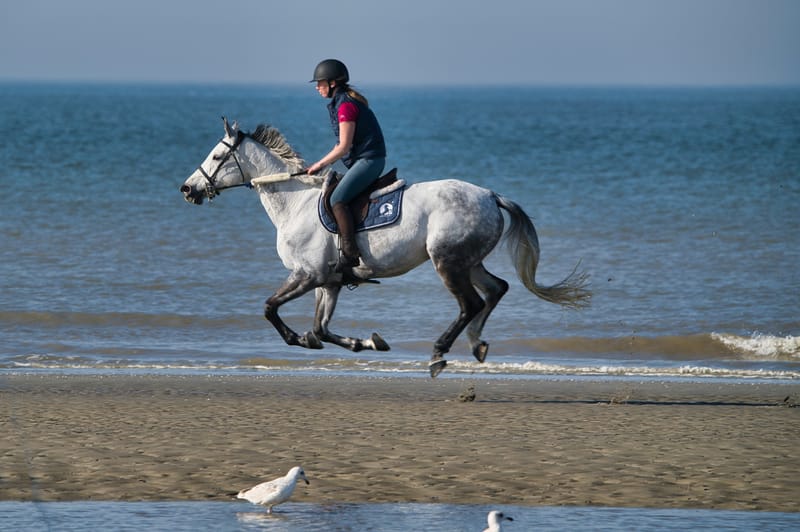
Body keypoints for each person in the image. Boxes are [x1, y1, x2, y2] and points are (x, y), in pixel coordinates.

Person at [306, 59, 387, 274]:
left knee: (336, 199)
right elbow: (342, 145)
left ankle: (350, 255)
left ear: (333, 83)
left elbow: (343, 147)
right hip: (365, 160)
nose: (317, 87)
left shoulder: (346, 106)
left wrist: (320, 164)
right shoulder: (342, 102)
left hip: (370, 161)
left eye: (320, 82)